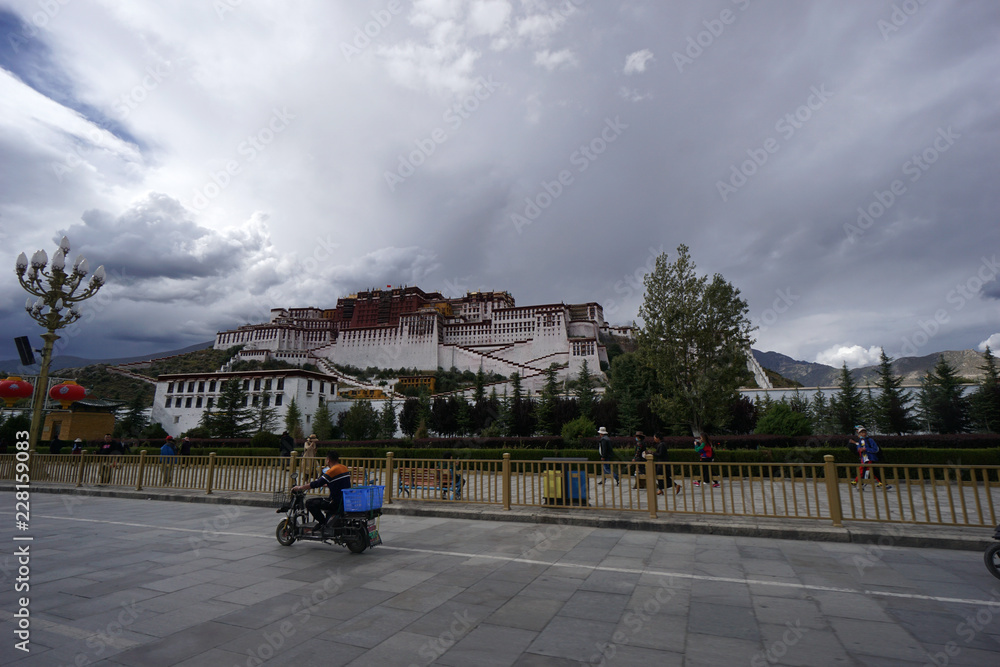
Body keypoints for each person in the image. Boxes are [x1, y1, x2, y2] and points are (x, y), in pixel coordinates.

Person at [292, 451, 351, 530]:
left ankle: (323, 523)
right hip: (343, 500)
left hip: (335, 502)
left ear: (328, 460)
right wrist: (326, 484)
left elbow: (317, 483)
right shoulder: (344, 468)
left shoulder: (331, 471)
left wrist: (300, 487)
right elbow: (338, 482)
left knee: (309, 503)